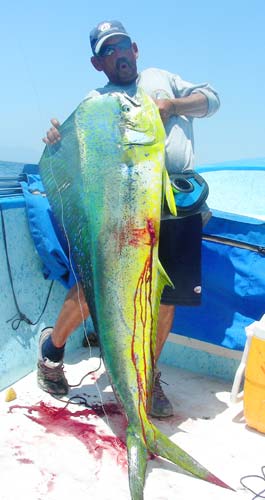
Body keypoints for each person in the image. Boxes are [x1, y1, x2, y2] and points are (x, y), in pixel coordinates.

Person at [38, 20, 220, 418]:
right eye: (107, 51)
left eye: (122, 46)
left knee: (165, 295)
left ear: (135, 48)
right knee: (95, 289)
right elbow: (70, 151)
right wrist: (57, 140)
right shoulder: (94, 102)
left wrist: (172, 106)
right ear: (96, 62)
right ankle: (51, 353)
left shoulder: (163, 80)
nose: (117, 54)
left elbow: (212, 100)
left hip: (178, 206)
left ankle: (145, 376)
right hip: (123, 209)